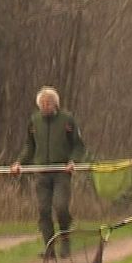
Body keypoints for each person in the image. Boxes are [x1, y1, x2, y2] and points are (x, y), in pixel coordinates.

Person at [11, 86, 87, 250]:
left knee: (61, 207)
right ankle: (49, 247)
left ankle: (65, 240)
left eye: (49, 103)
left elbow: (78, 146)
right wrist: (19, 163)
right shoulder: (34, 121)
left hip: (61, 173)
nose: (46, 106)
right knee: (43, 210)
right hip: (42, 173)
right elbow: (29, 146)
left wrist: (73, 161)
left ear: (55, 104)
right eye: (43, 104)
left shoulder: (67, 120)